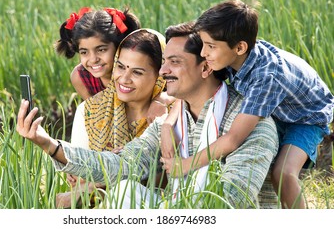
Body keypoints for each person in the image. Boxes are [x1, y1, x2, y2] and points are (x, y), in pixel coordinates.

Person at [17, 22, 279, 209]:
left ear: (206, 67)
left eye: (174, 62)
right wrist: (49, 144)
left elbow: (231, 199)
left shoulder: (250, 124)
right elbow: (120, 166)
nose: (163, 71)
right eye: (163, 61)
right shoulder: (174, 120)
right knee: (124, 190)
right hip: (177, 210)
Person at [173, 0, 334, 209]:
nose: (203, 53)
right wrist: (169, 122)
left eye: (210, 46)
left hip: (306, 116)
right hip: (279, 105)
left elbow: (233, 139)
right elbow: (190, 87)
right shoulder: (228, 56)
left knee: (283, 173)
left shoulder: (266, 77)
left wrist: (187, 164)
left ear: (240, 47)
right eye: (203, 44)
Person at [19, 29, 168, 208]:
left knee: (125, 190)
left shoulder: (170, 114)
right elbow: (78, 181)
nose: (124, 79)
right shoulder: (91, 111)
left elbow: (167, 181)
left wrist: (96, 182)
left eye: (137, 72)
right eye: (120, 67)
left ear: (160, 75)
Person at [54, 7, 141, 100]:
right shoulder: (80, 78)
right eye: (84, 52)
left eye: (101, 50)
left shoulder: (137, 72)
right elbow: (95, 113)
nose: (93, 59)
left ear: (119, 45)